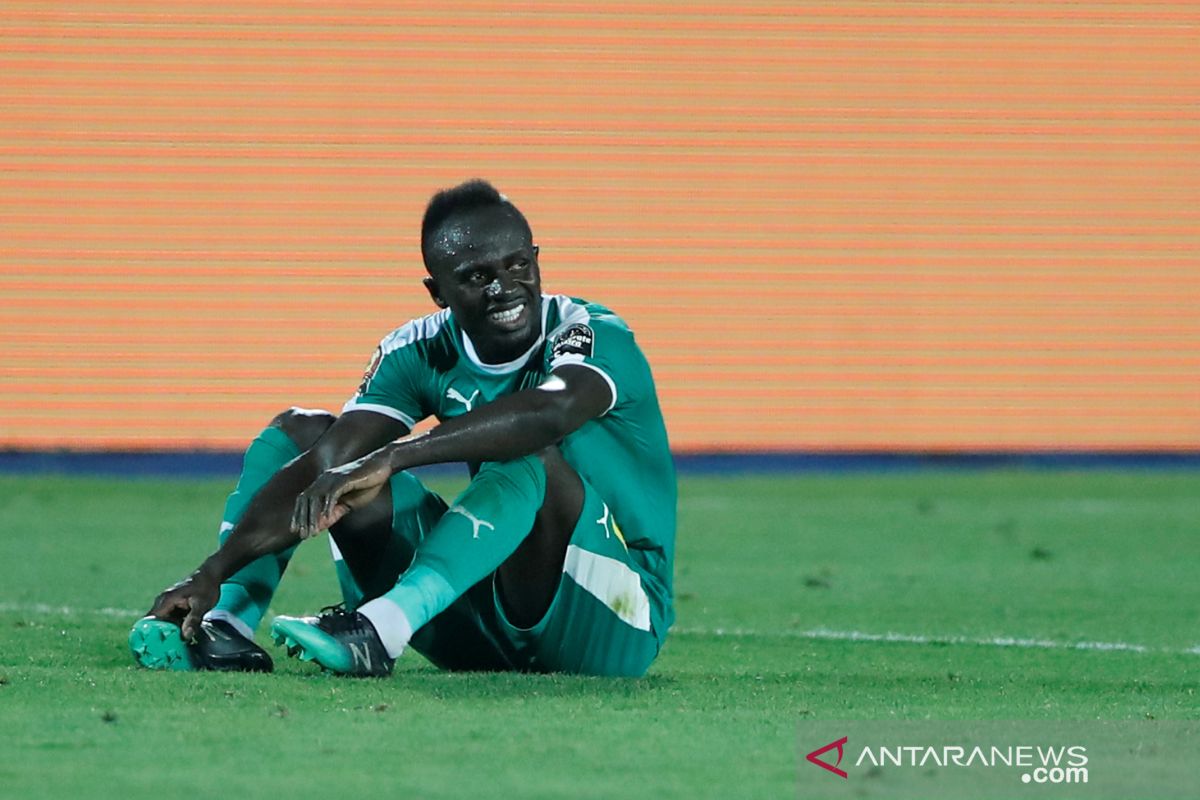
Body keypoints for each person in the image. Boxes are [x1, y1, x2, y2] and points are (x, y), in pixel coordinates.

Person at [129, 179, 676, 677]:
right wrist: (212, 569)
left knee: (530, 457)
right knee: (304, 434)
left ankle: (380, 629)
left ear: (537, 261)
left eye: (518, 267)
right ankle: (221, 622)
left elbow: (548, 415)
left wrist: (395, 456)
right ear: (437, 291)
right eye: (477, 277)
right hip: (478, 620)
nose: (505, 289)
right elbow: (326, 463)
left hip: (613, 617)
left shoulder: (591, 334)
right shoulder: (418, 352)